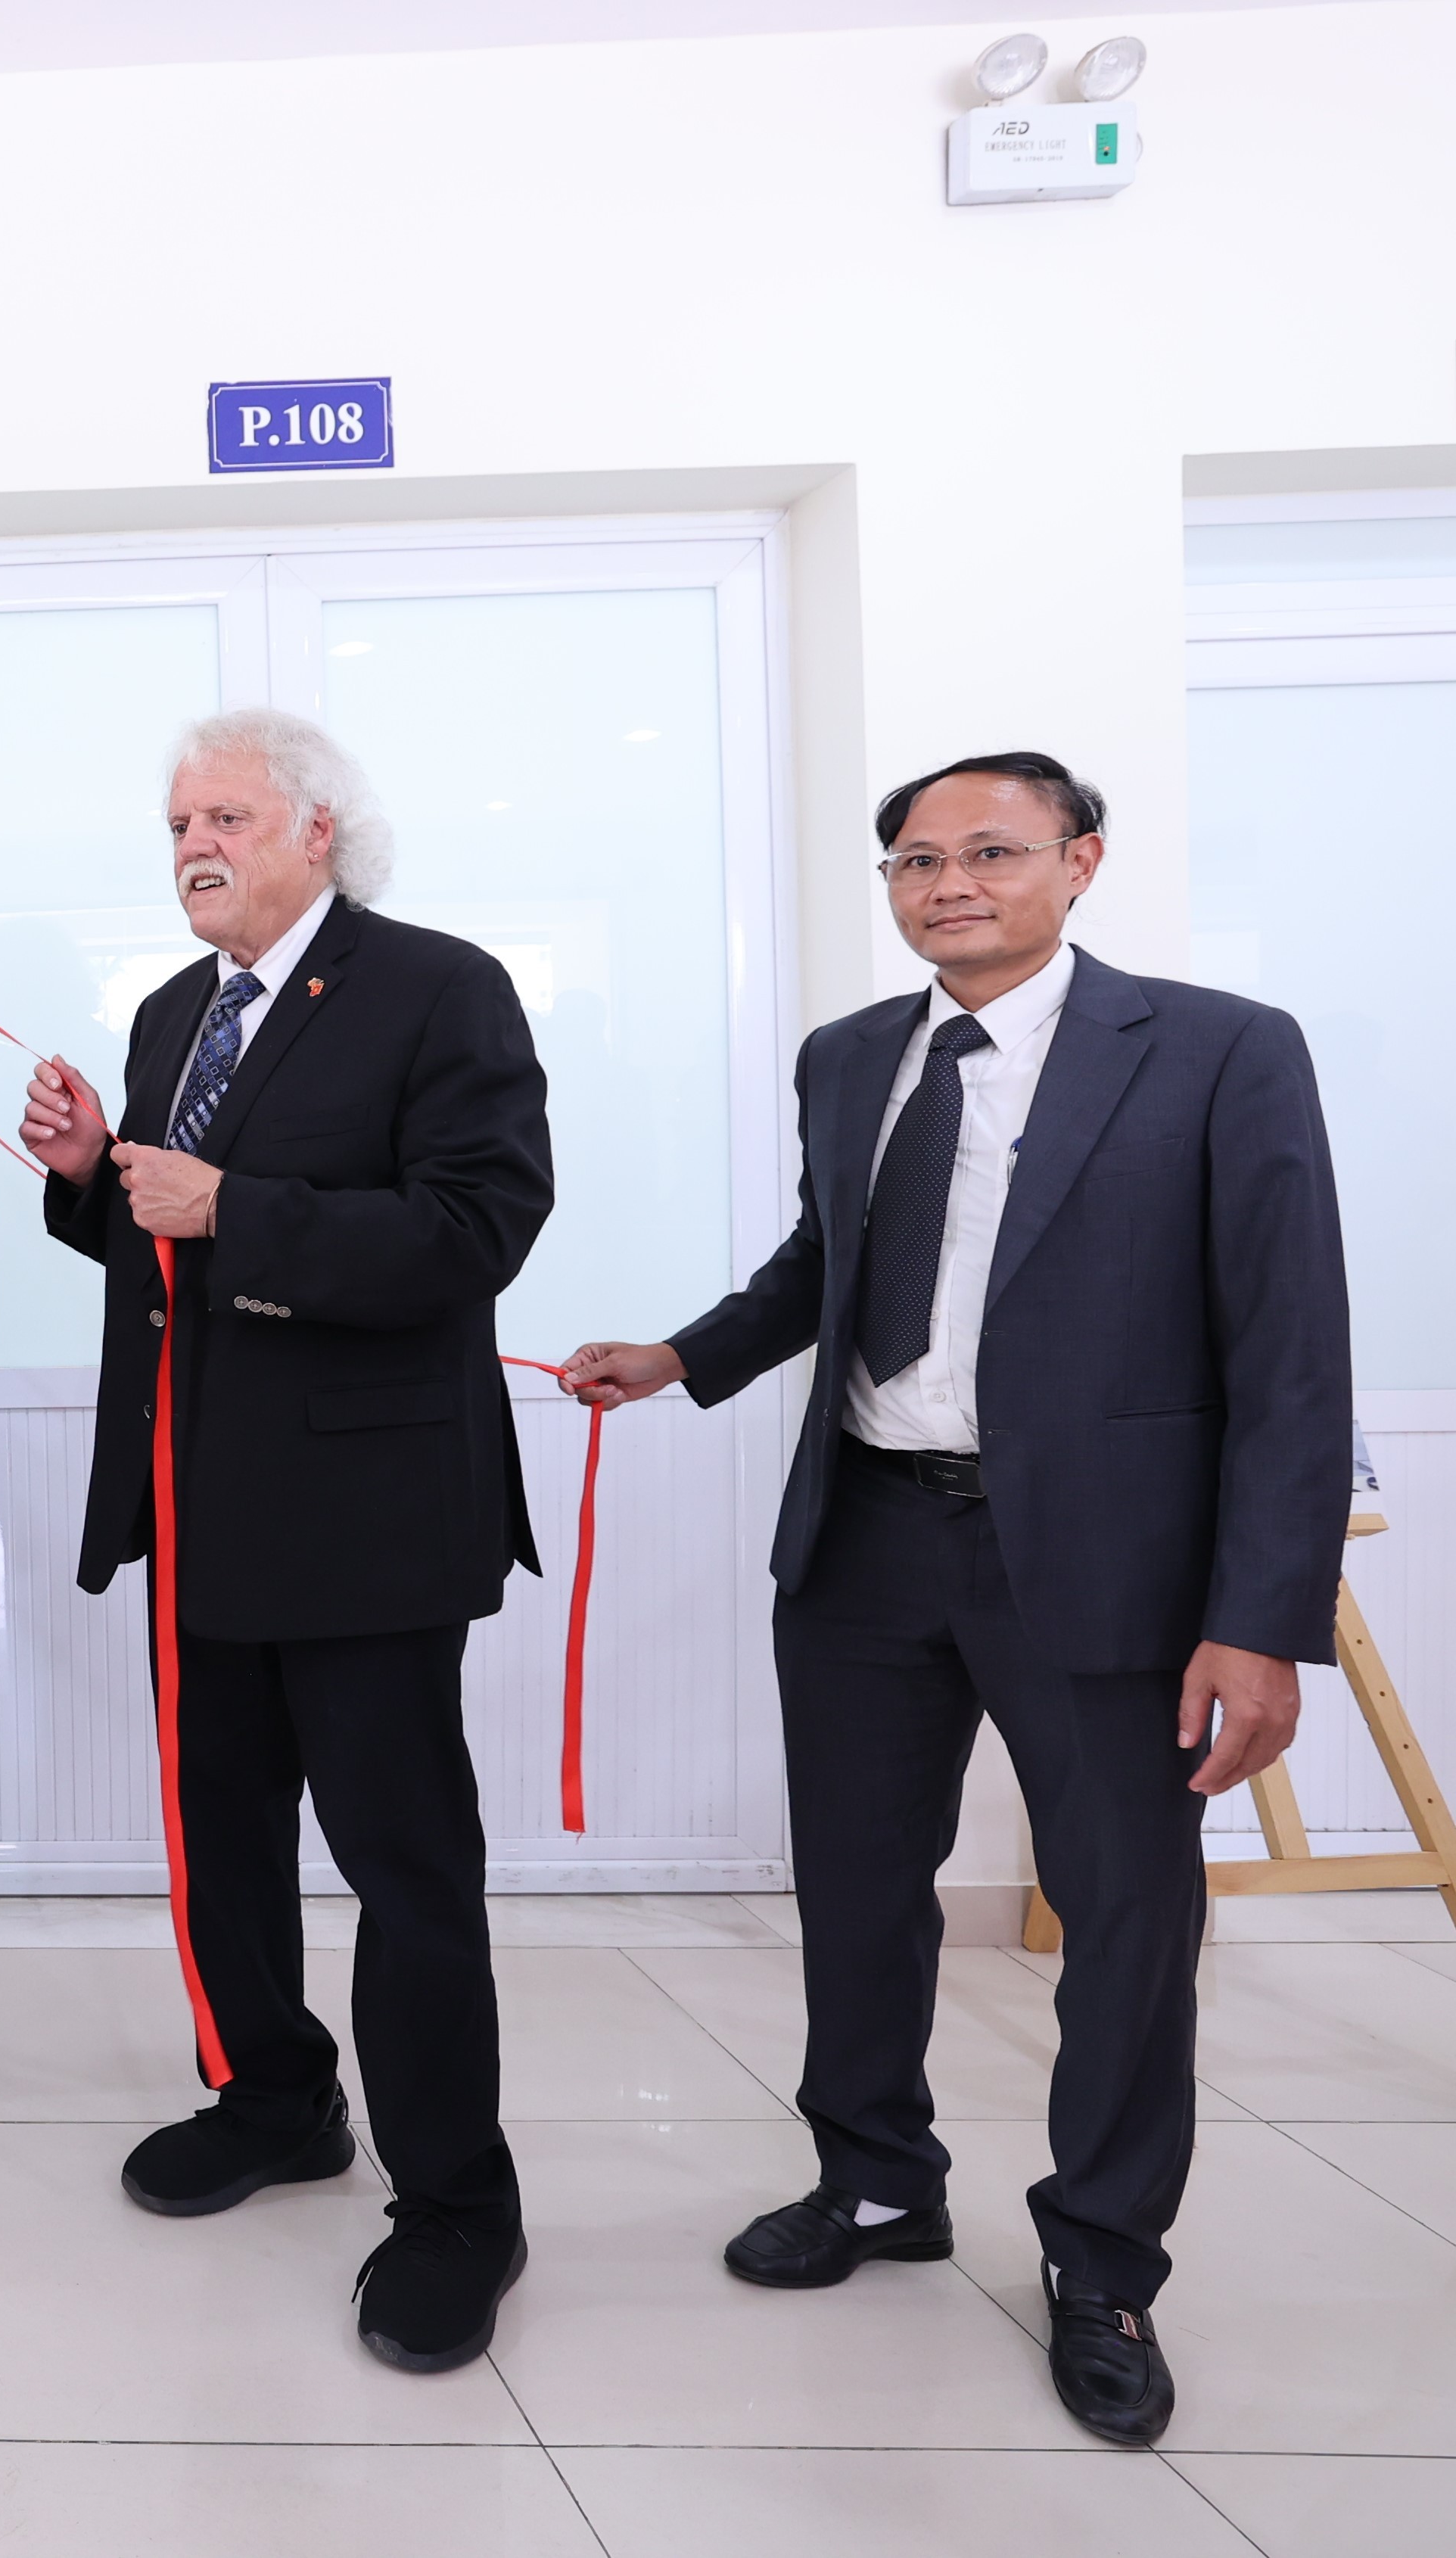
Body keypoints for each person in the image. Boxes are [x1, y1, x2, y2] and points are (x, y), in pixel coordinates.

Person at [562, 752, 1348, 2444]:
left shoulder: (1218, 1049)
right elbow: (828, 1267)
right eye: (917, 862)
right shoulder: (851, 1057)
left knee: (1125, 1915)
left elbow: (1292, 1346)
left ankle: (1103, 2261)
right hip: (868, 1535)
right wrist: (684, 1357)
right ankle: (873, 2180)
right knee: (857, 1889)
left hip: (1108, 1562)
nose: (950, 886)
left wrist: (1263, 1615)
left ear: (1082, 861)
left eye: (991, 851)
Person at [17, 706, 553, 2373]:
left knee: (407, 1868)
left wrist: (232, 1207)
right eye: (180, 821)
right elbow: (165, 1248)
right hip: (198, 1514)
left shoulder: (439, 987)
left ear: (320, 828)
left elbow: (479, 1227)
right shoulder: (174, 1011)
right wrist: (86, 1180)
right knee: (224, 1844)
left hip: (369, 1525)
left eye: (227, 817)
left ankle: (458, 2202)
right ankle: (275, 2096)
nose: (194, 843)